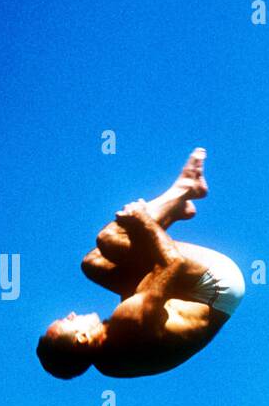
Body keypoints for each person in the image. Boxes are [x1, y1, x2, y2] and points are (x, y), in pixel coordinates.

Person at [36, 148, 244, 379]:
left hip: (195, 300)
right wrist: (142, 219)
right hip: (217, 285)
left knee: (93, 263)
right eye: (67, 321)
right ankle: (185, 187)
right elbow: (174, 263)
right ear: (82, 338)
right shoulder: (127, 323)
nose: (72, 313)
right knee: (110, 239)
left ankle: (175, 209)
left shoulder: (111, 365)